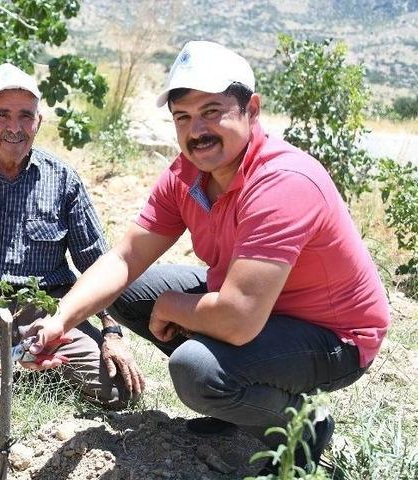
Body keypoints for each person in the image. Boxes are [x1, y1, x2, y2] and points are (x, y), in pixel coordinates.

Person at [26, 40, 389, 471]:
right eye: (182, 116)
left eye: (212, 111)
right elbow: (125, 258)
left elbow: (237, 320)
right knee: (128, 290)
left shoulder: (282, 181)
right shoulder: (187, 174)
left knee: (196, 370)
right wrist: (60, 321)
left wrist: (171, 306)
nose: (196, 130)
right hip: (256, 309)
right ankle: (241, 405)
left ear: (252, 109)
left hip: (332, 336)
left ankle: (303, 427)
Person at [0, 63, 144, 412]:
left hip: (48, 316)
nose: (14, 127)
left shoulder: (63, 179)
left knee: (119, 391)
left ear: (38, 121)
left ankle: (32, 365)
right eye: (2, 115)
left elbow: (99, 264)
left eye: (25, 116)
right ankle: (14, 366)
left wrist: (112, 332)